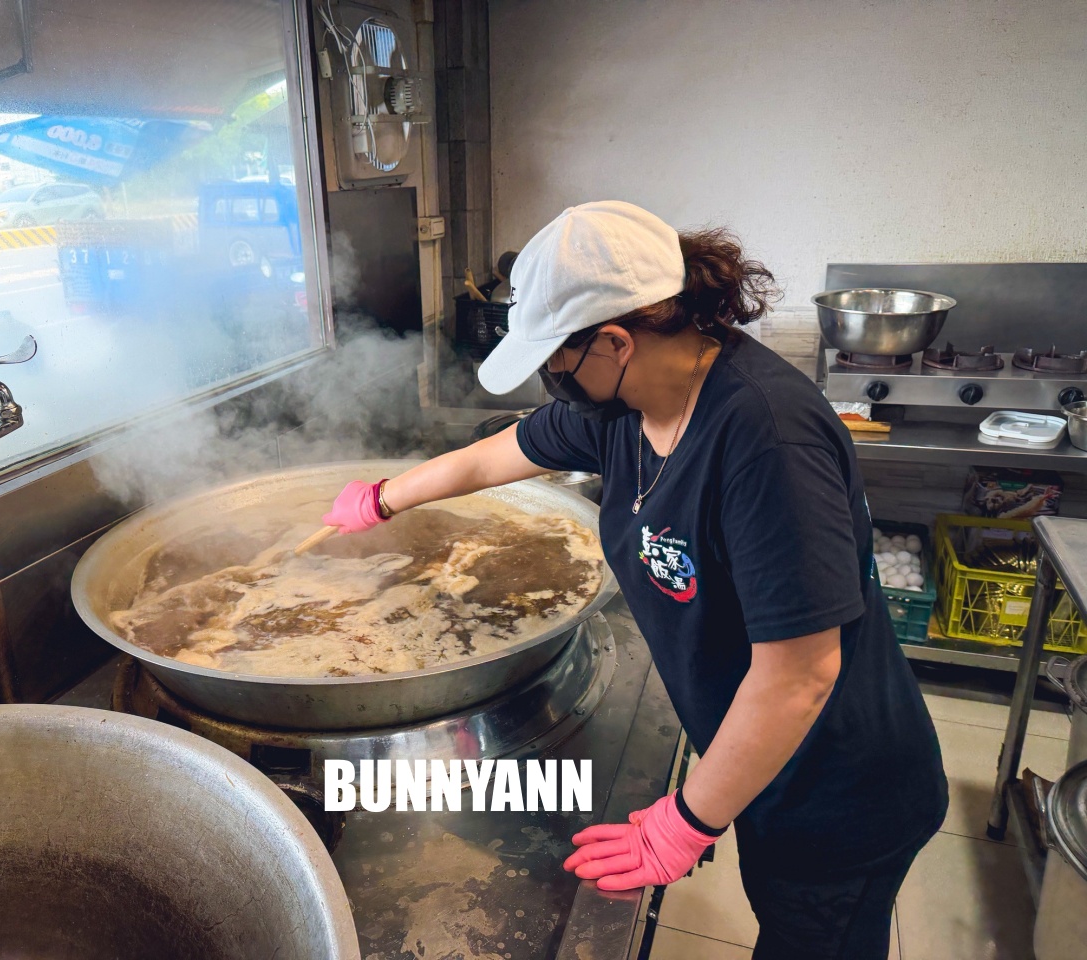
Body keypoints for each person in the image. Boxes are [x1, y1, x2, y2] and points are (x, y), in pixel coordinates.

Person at [322, 201, 948, 960]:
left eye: (557, 361)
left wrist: (687, 820)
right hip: (761, 760)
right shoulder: (625, 407)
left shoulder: (764, 439)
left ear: (616, 340)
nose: (554, 381)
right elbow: (502, 452)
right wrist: (385, 496)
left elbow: (801, 676)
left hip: (837, 788)